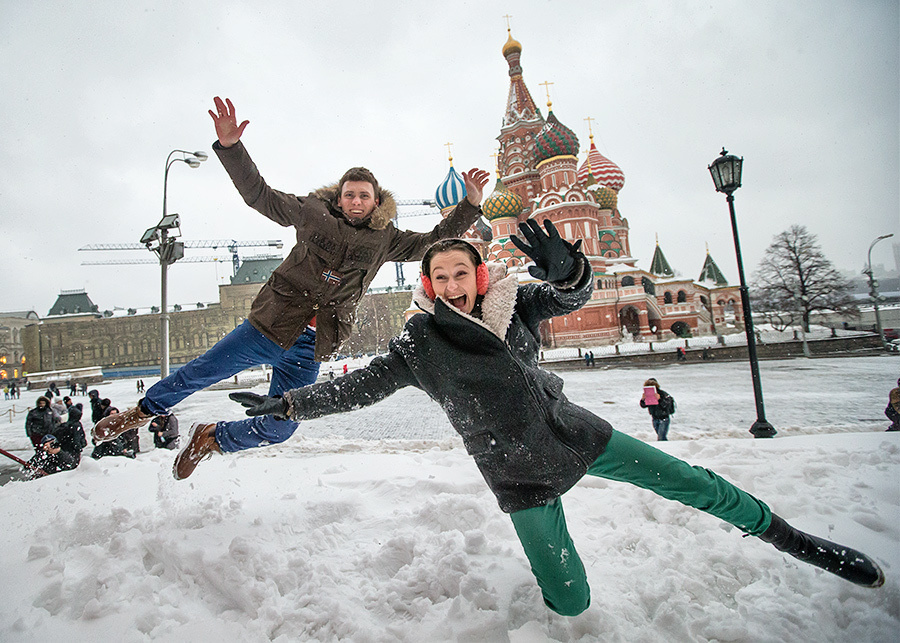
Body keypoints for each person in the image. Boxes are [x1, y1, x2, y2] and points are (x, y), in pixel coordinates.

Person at [182, 223, 883, 616]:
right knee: (571, 599)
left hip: (573, 431)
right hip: (518, 474)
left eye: (463, 274)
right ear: (429, 288)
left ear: (479, 277)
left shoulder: (516, 304)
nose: (453, 284)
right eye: (441, 279)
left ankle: (800, 541)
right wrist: (290, 402)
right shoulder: (418, 344)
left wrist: (573, 269)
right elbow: (360, 387)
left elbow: (568, 295)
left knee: (695, 483)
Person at [91, 95, 490, 446]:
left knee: (284, 425)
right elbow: (259, 195)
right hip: (271, 325)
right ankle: (141, 412)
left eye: (363, 196)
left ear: (375, 202)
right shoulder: (312, 213)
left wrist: (470, 205)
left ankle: (214, 439)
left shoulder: (385, 237)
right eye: (349, 194)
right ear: (339, 197)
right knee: (202, 372)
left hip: (312, 343)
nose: (355, 201)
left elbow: (432, 241)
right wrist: (232, 147)